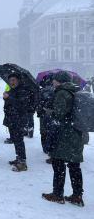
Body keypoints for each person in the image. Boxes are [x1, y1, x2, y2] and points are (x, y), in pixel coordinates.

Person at [42, 71, 85, 207]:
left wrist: (49, 111)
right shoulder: (75, 90)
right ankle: (77, 196)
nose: (53, 82)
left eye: (54, 80)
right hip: (76, 133)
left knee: (58, 164)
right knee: (74, 166)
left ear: (59, 80)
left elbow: (60, 114)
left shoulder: (62, 92)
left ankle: (57, 194)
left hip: (64, 134)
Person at [3, 73, 30, 172]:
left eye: (13, 80)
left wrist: (9, 98)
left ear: (18, 80)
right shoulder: (12, 90)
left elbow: (21, 105)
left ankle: (22, 162)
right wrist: (6, 97)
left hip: (19, 120)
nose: (11, 82)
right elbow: (9, 105)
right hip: (11, 119)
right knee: (15, 140)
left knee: (19, 140)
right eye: (10, 81)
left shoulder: (23, 91)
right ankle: (19, 158)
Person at [36, 74, 54, 161]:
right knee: (52, 131)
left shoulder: (42, 90)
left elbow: (38, 102)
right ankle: (50, 148)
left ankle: (45, 148)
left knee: (43, 131)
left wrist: (39, 111)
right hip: (52, 114)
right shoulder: (56, 90)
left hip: (43, 114)